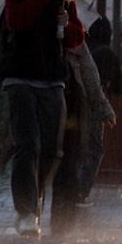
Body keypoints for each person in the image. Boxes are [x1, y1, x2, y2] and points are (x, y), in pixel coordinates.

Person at [0, 0, 84, 235]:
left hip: (52, 81)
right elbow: (16, 21)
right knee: (27, 146)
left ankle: (33, 195)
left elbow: (75, 40)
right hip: (20, 78)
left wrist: (66, 21)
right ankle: (26, 211)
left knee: (52, 150)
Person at [50, 41, 117, 232]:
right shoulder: (69, 40)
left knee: (66, 157)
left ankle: (61, 215)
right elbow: (92, 79)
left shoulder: (75, 40)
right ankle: (61, 209)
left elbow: (90, 76)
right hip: (64, 107)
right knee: (65, 156)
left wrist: (104, 109)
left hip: (71, 108)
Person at [77, 17, 122, 207]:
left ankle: (69, 187)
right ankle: (81, 191)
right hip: (94, 104)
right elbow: (119, 86)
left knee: (76, 146)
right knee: (95, 148)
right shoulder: (106, 53)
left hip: (72, 101)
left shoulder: (80, 48)